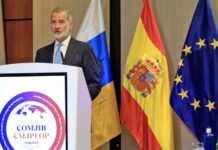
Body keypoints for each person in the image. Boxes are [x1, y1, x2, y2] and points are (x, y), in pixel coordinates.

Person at [35, 7, 101, 100]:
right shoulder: (41, 53)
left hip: (75, 107)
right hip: (49, 108)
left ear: (71, 25)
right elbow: (37, 83)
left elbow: (94, 84)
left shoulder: (84, 49)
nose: (57, 26)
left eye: (61, 22)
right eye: (54, 22)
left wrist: (77, 101)